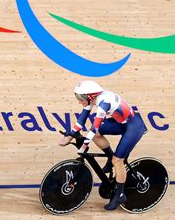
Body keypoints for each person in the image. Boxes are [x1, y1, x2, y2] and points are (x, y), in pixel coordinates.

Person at [59, 80, 147, 210]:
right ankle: (110, 159)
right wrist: (71, 136)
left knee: (118, 160)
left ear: (90, 96)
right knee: (96, 135)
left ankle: (120, 194)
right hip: (121, 123)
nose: (79, 101)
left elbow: (95, 126)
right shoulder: (93, 99)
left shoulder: (103, 103)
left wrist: (84, 146)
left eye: (81, 98)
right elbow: (82, 119)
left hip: (134, 127)